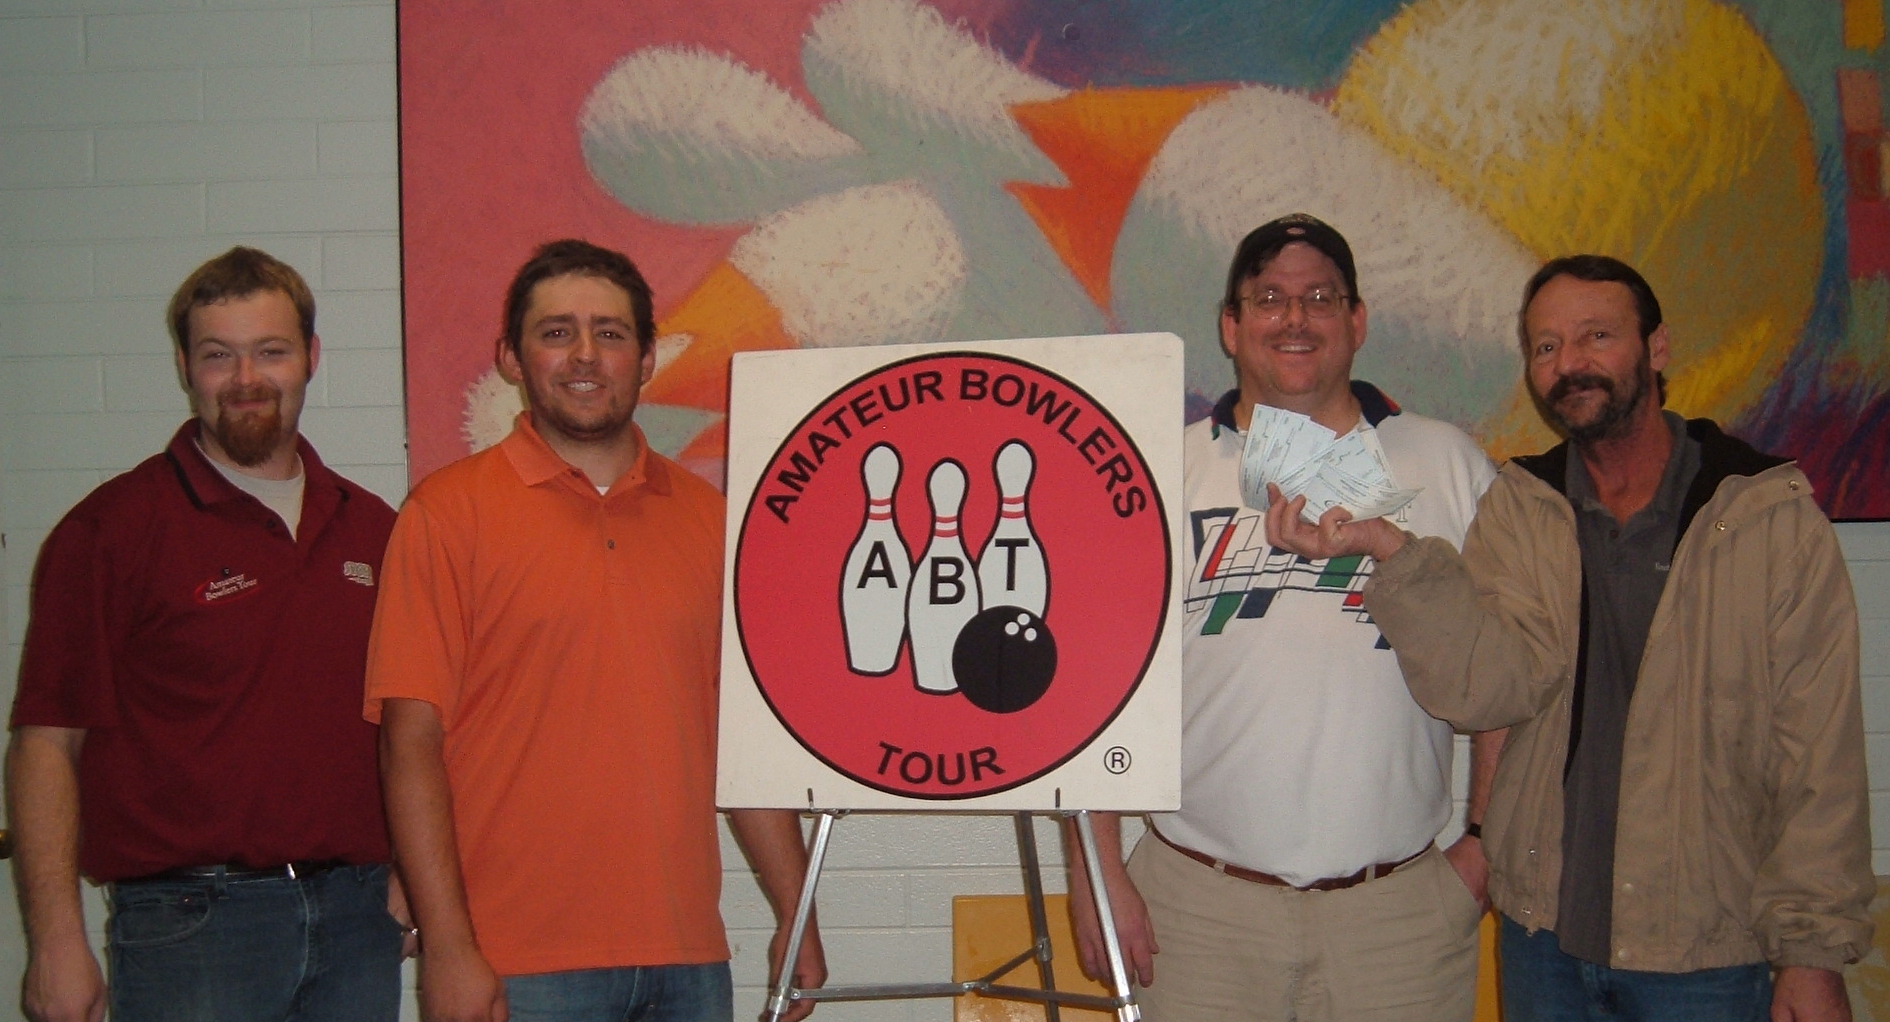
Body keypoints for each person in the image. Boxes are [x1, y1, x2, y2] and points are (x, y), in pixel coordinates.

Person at [1269, 254, 1872, 1022]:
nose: (1569, 363)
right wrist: (1389, 549)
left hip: (1707, 951)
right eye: (1547, 346)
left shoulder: (1766, 517)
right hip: (1543, 940)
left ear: (1656, 347)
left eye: (1596, 336)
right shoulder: (1524, 505)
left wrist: (1812, 954)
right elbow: (1488, 689)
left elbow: (1819, 751)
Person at [367, 238, 826, 1022]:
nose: (584, 355)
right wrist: (448, 946)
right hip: (516, 964)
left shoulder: (711, 521)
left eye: (609, 334)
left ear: (646, 360)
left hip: (687, 962)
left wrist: (796, 911)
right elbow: (410, 743)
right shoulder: (445, 514)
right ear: (511, 358)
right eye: (557, 332)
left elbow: (740, 745)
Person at [1067, 213, 1503, 1021]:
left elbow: (1505, 670)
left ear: (1357, 321)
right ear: (1231, 327)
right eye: (1269, 298)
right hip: (1197, 911)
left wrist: (1484, 843)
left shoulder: (1448, 463)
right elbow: (1089, 689)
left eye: (1320, 298)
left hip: (1399, 919)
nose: (1295, 318)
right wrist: (1096, 873)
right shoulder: (1159, 472)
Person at [7, 246, 408, 1022]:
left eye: (271, 351)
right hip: (193, 929)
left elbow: (407, 729)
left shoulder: (372, 528)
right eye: (219, 355)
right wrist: (54, 941)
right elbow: (46, 745)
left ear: (312, 357)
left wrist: (410, 873)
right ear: (185, 367)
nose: (246, 378)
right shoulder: (111, 531)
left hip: (359, 919)